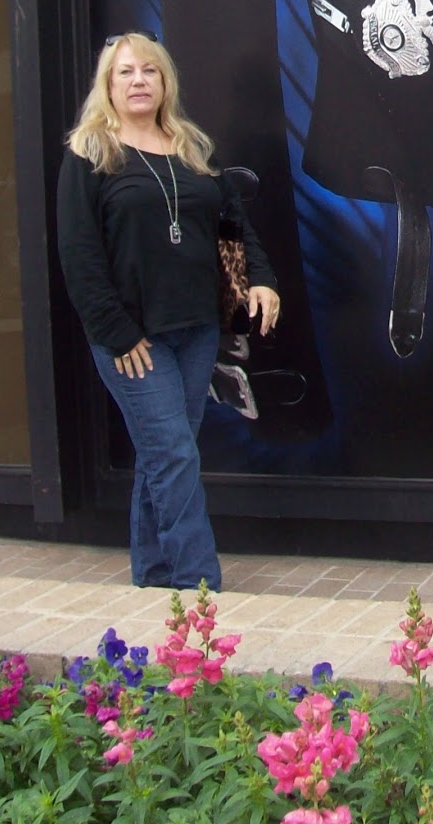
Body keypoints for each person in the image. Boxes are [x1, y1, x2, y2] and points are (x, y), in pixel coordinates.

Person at [56, 31, 280, 588]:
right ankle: (198, 582)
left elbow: (232, 226)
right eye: (126, 72)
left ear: (165, 81)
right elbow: (79, 254)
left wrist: (261, 279)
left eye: (149, 71)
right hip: (133, 338)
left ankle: (154, 573)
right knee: (175, 452)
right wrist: (115, 332)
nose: (139, 81)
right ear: (108, 85)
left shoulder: (192, 147)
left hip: (197, 330)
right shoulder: (90, 153)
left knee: (164, 453)